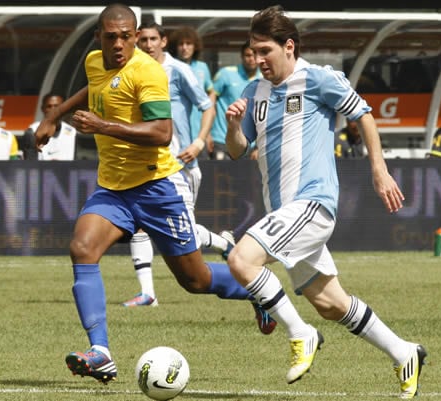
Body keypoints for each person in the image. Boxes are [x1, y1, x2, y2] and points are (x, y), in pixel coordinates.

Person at [33, 4, 275, 385]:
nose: (118, 44)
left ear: (135, 37)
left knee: (193, 280)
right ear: (98, 37)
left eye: (125, 37)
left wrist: (102, 126)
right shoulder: (95, 62)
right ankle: (101, 352)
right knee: (82, 248)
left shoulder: (147, 72)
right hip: (113, 188)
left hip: (156, 188)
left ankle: (258, 291)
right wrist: (54, 116)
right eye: (110, 36)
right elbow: (92, 89)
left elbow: (161, 133)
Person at [224, 5, 426, 398]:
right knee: (330, 302)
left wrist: (379, 170)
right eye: (253, 50)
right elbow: (236, 151)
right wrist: (234, 127)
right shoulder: (254, 91)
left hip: (312, 204)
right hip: (284, 212)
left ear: (289, 46)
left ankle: (301, 334)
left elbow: (363, 115)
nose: (258, 59)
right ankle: (404, 353)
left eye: (265, 50)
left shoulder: (318, 79)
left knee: (240, 259)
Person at [122, 21, 234, 307]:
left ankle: (225, 246)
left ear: (163, 41)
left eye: (152, 39)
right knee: (141, 225)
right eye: (142, 39)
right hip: (145, 162)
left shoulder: (179, 70)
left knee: (179, 231)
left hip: (179, 165)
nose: (147, 45)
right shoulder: (132, 68)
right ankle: (147, 293)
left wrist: (198, 142)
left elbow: (207, 106)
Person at [168, 25, 215, 160]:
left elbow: (211, 92)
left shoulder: (202, 67)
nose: (184, 48)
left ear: (195, 46)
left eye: (188, 44)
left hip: (198, 135)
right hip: (176, 135)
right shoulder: (171, 67)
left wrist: (207, 133)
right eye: (181, 44)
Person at [210, 40, 261, 160]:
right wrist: (207, 134)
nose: (251, 59)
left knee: (247, 179)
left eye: (255, 55)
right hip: (221, 140)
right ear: (242, 56)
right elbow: (210, 103)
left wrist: (258, 146)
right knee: (219, 178)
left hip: (250, 144)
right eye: (248, 55)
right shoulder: (225, 74)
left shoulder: (265, 80)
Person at [22, 93, 78, 160]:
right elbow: (30, 165)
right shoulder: (32, 131)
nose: (53, 110)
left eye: (57, 106)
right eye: (49, 106)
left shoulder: (72, 132)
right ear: (42, 109)